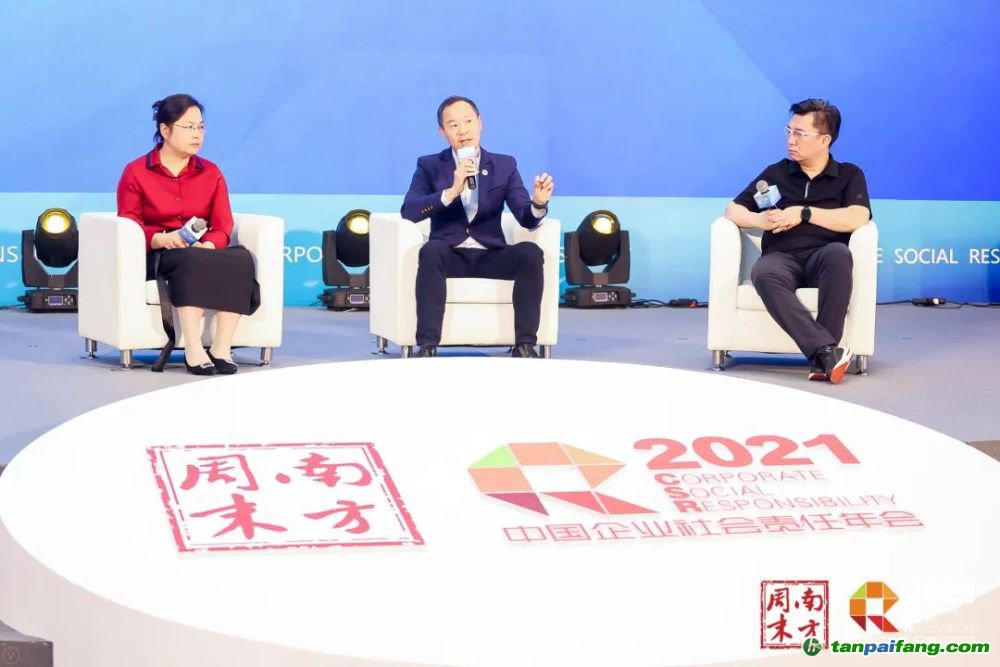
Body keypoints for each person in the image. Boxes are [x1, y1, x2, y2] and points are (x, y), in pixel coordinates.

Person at [724, 99, 871, 384]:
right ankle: (826, 354)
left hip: (823, 256)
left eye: (800, 134)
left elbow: (858, 216)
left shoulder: (849, 174)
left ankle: (823, 356)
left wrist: (804, 213)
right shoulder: (777, 173)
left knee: (838, 255)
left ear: (825, 140)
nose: (791, 140)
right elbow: (733, 210)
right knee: (763, 272)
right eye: (789, 131)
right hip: (782, 257)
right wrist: (759, 220)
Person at [401, 95, 554, 358]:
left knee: (530, 253)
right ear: (443, 132)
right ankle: (427, 345)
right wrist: (451, 191)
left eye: (468, 122)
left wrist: (538, 204)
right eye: (453, 125)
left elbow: (525, 217)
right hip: (449, 254)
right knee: (430, 251)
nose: (463, 130)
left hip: (491, 254)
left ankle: (525, 344)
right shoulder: (429, 165)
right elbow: (410, 211)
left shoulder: (504, 165)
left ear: (480, 122)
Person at [117, 94, 259, 375]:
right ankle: (193, 348)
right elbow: (128, 224)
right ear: (165, 130)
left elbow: (223, 225)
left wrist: (210, 245)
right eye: (189, 127)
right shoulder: (136, 172)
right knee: (191, 260)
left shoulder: (211, 173)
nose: (197, 135)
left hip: (200, 250)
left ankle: (221, 347)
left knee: (242, 258)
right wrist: (159, 238)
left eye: (201, 127)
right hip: (159, 253)